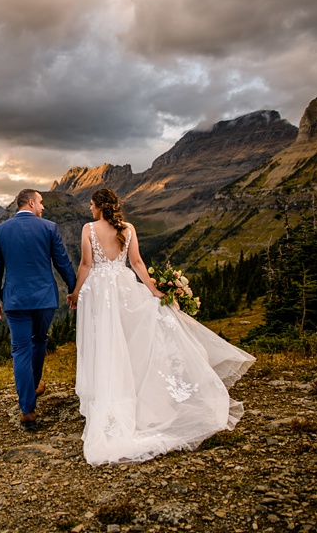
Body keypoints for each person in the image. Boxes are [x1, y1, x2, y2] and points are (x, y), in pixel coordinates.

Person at [67, 188, 255, 465]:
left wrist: (75, 292)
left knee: (104, 341)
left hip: (98, 291)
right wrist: (154, 292)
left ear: (99, 206)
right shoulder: (128, 228)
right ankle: (131, 389)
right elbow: (137, 263)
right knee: (128, 339)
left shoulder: (89, 228)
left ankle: (109, 392)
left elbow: (86, 263)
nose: (90, 208)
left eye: (92, 204)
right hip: (123, 286)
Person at [0, 189, 78, 431]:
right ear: (30, 202)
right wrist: (74, 289)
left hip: (15, 300)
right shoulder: (49, 228)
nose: (43, 207)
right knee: (40, 340)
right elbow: (63, 262)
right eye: (41, 202)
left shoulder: (1, 230)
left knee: (19, 349)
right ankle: (34, 385)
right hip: (44, 299)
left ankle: (28, 409)